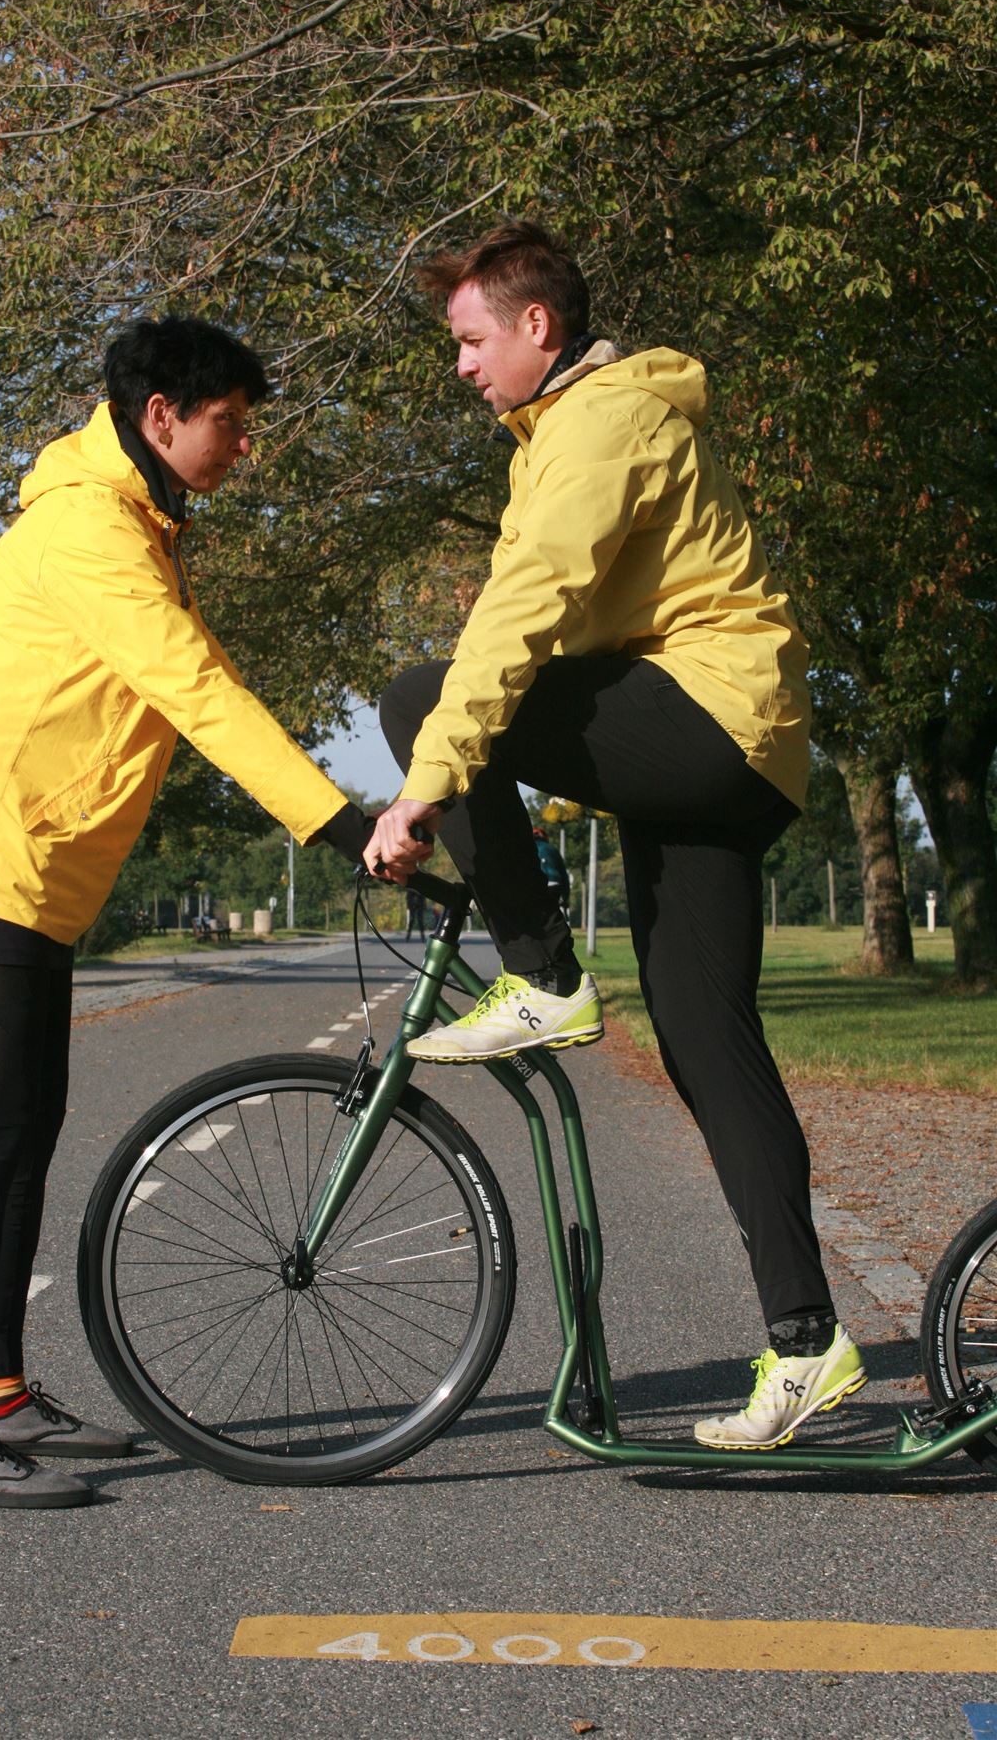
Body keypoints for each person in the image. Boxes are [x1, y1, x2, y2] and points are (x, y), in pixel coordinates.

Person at [364, 221, 865, 1452]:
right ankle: (810, 1345)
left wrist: (424, 788)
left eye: (474, 342)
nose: (464, 368)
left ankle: (541, 974)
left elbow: (520, 617)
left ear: (538, 325)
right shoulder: (571, 428)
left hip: (708, 717)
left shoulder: (597, 424)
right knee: (705, 1039)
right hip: (728, 750)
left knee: (425, 695)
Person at [0, 316, 371, 1508]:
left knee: (24, 1132)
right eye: (230, 423)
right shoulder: (91, 529)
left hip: (29, 868)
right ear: (162, 416)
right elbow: (193, 687)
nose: (242, 444)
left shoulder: (129, 517)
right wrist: (339, 822)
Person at [531, 825, 570, 919]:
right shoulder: (553, 850)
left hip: (537, 885)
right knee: (551, 913)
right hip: (554, 884)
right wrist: (565, 897)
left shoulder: (528, 849)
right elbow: (564, 875)